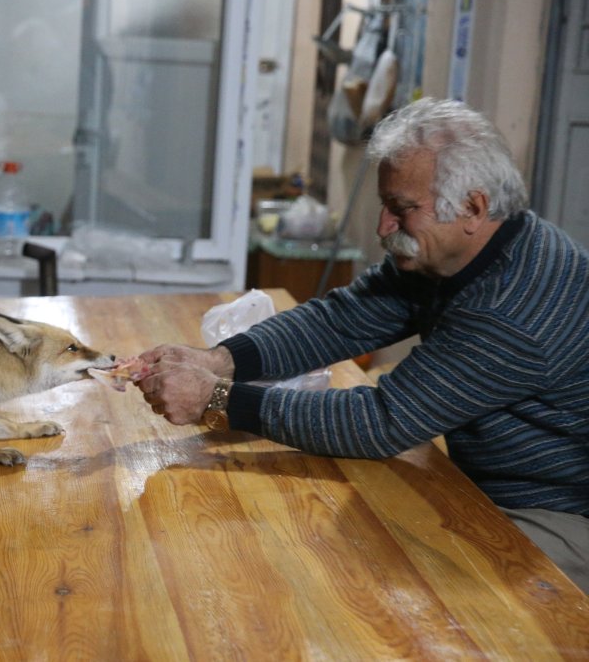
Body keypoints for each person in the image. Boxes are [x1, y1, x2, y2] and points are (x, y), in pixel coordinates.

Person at [136, 97, 589, 593]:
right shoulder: (457, 254)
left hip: (556, 511)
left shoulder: (514, 310)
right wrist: (218, 360)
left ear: (473, 208)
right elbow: (339, 321)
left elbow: (380, 421)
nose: (383, 228)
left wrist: (214, 399)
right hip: (487, 483)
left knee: (387, 591)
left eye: (401, 209)